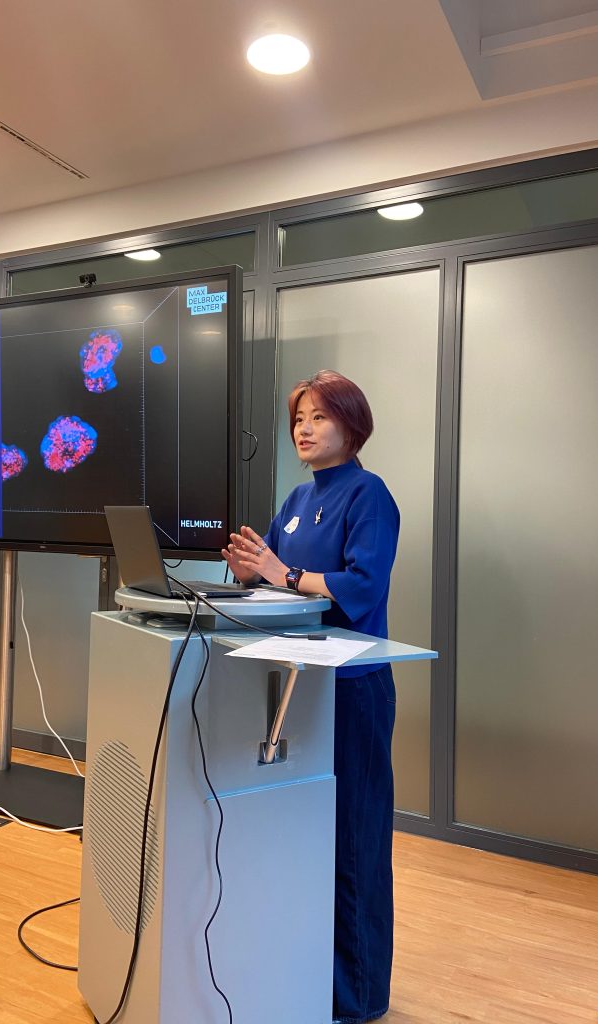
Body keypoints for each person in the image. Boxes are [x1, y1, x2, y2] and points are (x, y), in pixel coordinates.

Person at [222, 369, 399, 1024]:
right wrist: (249, 573)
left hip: (351, 689)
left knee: (353, 844)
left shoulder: (369, 495)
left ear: (352, 426)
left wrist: (285, 572)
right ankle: (304, 977)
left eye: (319, 416)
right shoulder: (297, 497)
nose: (304, 428)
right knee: (302, 838)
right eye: (298, 417)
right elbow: (273, 582)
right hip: (297, 683)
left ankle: (357, 999)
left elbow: (362, 586)